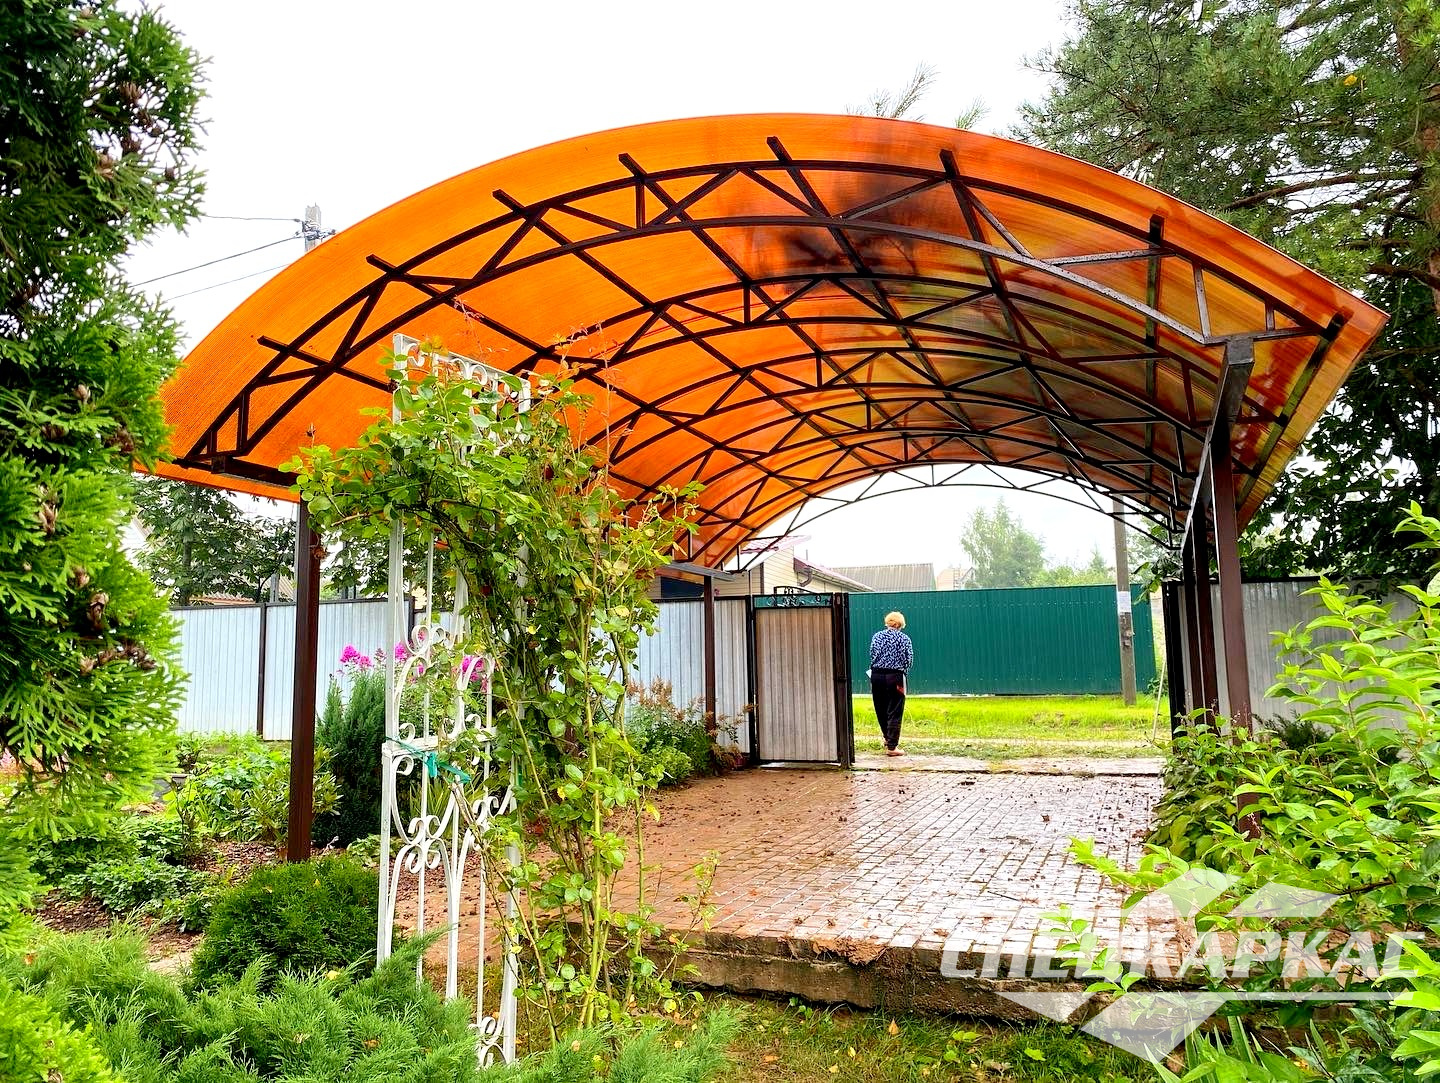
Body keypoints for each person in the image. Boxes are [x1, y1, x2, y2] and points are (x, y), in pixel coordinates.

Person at [868, 611, 913, 756]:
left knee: (880, 708)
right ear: (900, 624)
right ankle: (892, 747)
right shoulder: (904, 638)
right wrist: (903, 672)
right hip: (895, 677)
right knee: (895, 709)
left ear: (887, 622)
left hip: (877, 675)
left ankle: (887, 739)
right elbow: (909, 659)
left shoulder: (877, 636)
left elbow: (872, 654)